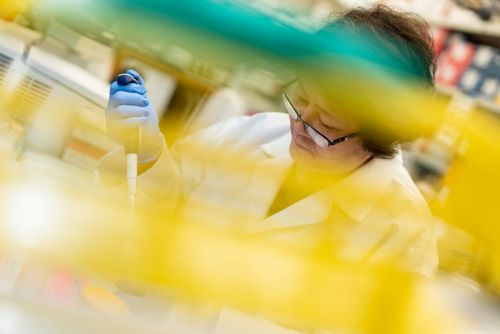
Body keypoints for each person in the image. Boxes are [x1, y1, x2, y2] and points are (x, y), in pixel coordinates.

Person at [98, 5, 438, 277]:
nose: (301, 123)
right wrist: (148, 154)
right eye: (301, 97)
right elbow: (164, 208)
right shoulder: (249, 134)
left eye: (329, 121)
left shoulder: (403, 234)